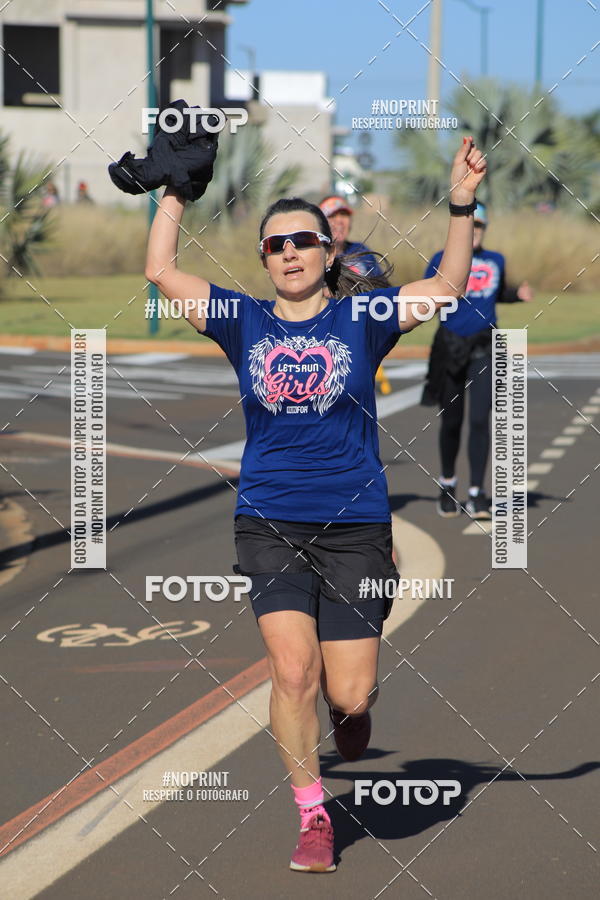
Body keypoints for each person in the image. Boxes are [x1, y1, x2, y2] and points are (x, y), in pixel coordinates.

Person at [145, 137, 486, 873]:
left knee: (351, 694)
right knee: (291, 672)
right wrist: (174, 191)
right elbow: (161, 270)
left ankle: (348, 711)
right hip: (268, 518)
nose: (291, 252)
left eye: (305, 240)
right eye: (276, 245)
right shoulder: (242, 320)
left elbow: (449, 287)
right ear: (265, 259)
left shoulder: (364, 321)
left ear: (330, 253)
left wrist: (460, 204)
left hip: (356, 523)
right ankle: (313, 816)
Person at [421, 201, 534, 519]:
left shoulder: (495, 260)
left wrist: (516, 294)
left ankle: (477, 493)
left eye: (480, 226)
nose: (474, 232)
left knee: (482, 420)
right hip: (450, 345)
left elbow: (495, 294)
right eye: (470, 225)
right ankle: (447, 485)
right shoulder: (440, 260)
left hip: (486, 346)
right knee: (452, 421)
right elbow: (425, 295)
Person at [319, 195, 393, 395]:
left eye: (344, 215)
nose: (340, 221)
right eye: (332, 216)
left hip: (361, 338)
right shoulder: (314, 256)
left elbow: (382, 290)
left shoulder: (361, 252)